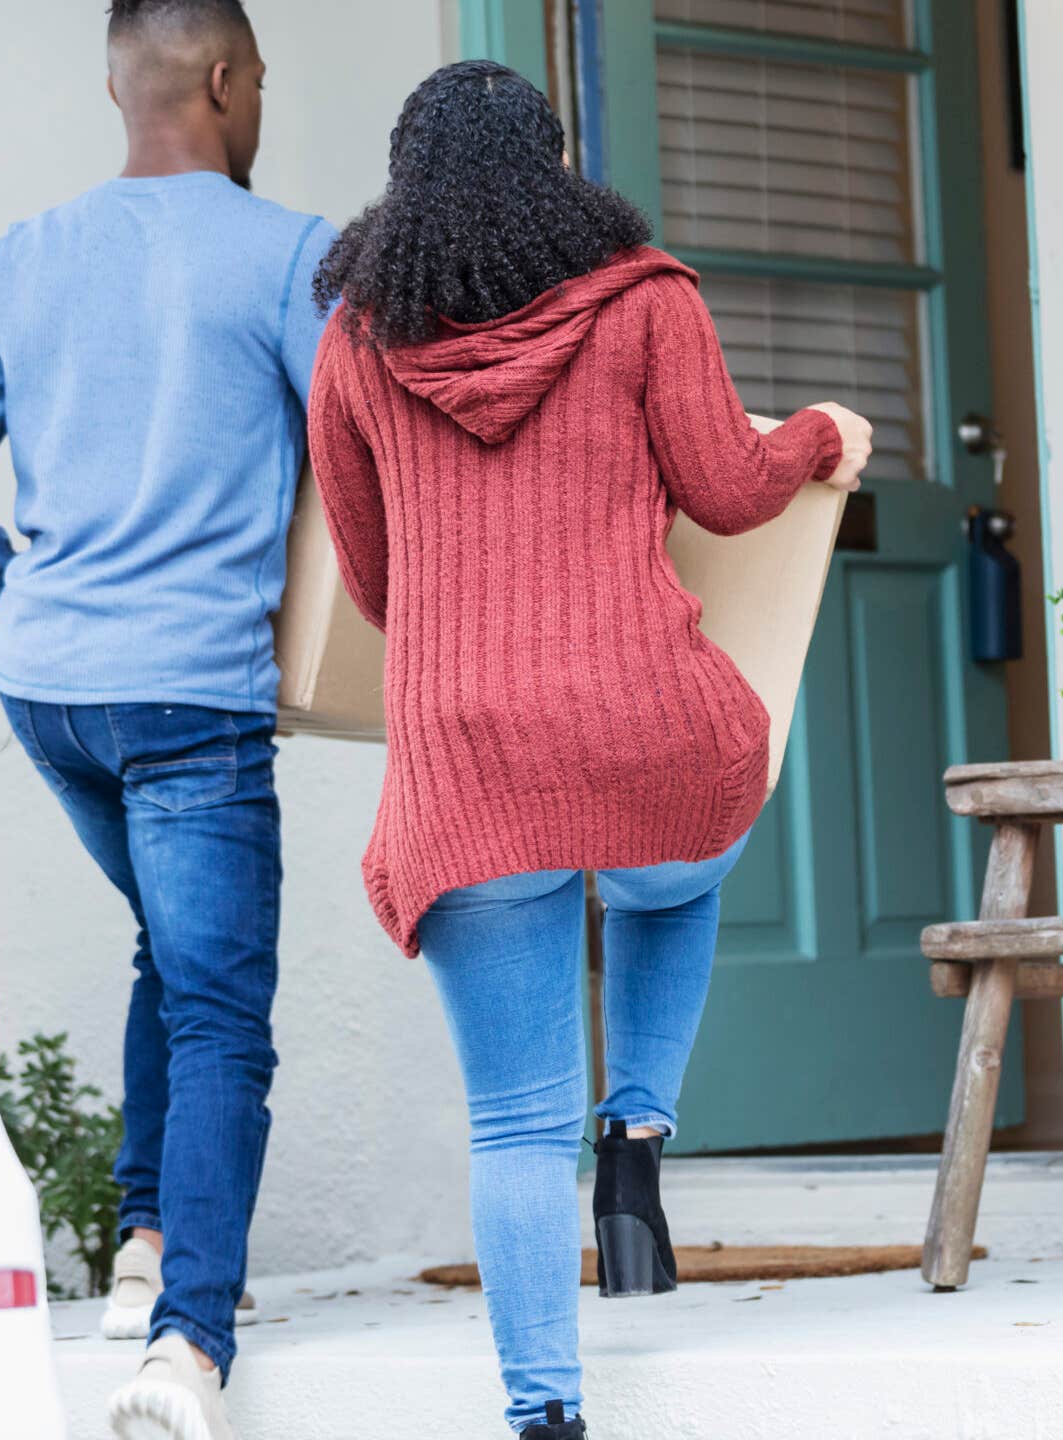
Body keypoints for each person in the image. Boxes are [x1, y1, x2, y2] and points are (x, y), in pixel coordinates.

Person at [304, 60, 872, 1439]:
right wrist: (823, 434)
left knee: (510, 1129)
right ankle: (637, 1137)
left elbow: (372, 590)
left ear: (406, 184)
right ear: (553, 169)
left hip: (468, 766)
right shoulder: (644, 300)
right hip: (639, 733)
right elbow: (733, 493)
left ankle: (545, 1413)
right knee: (675, 867)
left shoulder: (357, 343)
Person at [0, 2, 331, 1437]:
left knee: (171, 941)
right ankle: (184, 1349)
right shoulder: (284, 255)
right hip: (192, 692)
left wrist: (31, 594)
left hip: (52, 688)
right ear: (222, 80)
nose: (259, 99)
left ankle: (143, 1238)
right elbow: (361, 457)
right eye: (257, 77)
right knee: (221, 1008)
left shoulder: (22, 256)